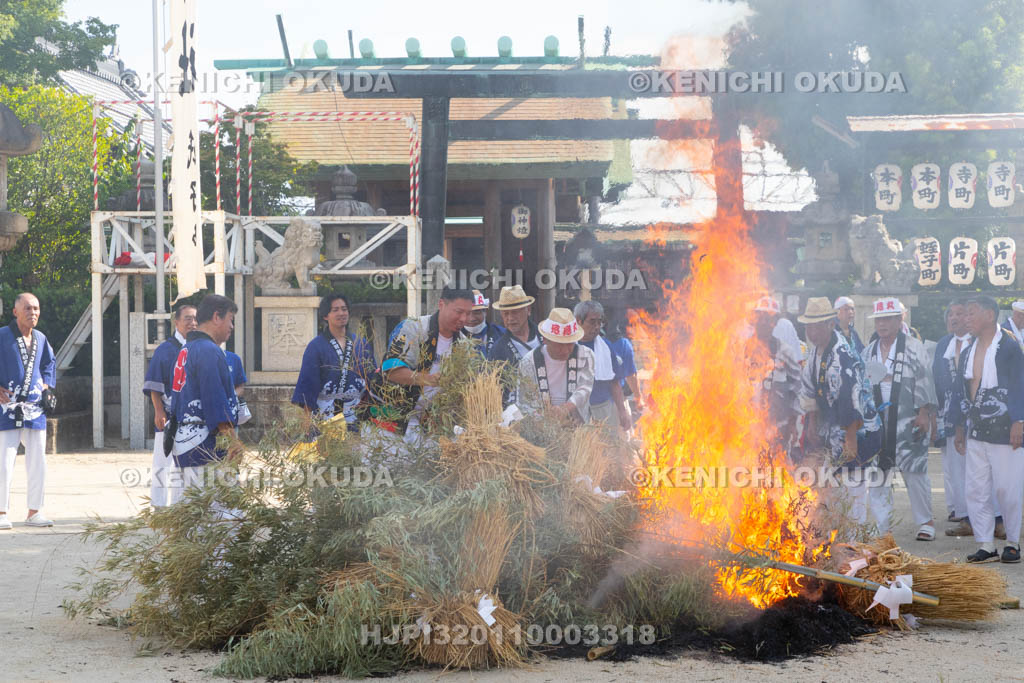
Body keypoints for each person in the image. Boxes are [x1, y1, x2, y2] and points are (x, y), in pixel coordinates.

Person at [798, 297, 884, 531]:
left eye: (817, 326)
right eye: (808, 326)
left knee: (853, 488)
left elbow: (851, 399)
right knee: (831, 490)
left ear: (830, 324)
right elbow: (808, 390)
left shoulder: (842, 354)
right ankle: (837, 539)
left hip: (858, 431)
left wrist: (851, 440)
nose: (812, 332)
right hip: (833, 428)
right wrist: (813, 423)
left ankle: (855, 544)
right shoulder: (816, 353)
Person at [950, 295, 1024, 564]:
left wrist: (1020, 421)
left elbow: (1019, 384)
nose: (966, 318)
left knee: (1007, 488)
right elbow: (960, 390)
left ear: (990, 315)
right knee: (977, 489)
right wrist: (958, 426)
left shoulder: (1009, 345)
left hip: (1007, 429)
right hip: (977, 428)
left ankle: (1013, 542)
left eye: (971, 313)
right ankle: (986, 543)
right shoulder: (969, 350)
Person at [862, 297, 938, 541]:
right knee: (878, 473)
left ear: (899, 319)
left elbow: (925, 381)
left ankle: (926, 521)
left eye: (887, 319)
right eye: (879, 319)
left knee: (915, 471)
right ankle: (883, 525)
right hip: (877, 421)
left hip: (909, 418)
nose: (882, 324)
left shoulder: (914, 347)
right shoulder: (868, 350)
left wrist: (924, 413)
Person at [168, 294, 243, 503]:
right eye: (230, 319)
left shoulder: (186, 348)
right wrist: (232, 441)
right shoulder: (209, 350)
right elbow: (214, 401)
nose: (232, 326)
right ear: (217, 317)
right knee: (222, 514)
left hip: (184, 440)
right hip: (205, 444)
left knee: (193, 512)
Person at [381, 287, 473, 441]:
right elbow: (390, 370)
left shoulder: (464, 345)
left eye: (468, 313)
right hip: (394, 415)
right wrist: (428, 379)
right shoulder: (414, 328)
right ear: (441, 304)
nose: (464, 319)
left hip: (431, 423)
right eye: (459, 311)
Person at [0, 293, 56, 529]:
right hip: (7, 406)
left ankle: (35, 511)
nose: (32, 313)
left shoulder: (41, 339)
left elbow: (49, 364)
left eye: (36, 308)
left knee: (38, 460)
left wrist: (46, 387)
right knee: (4, 460)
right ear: (15, 312)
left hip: (34, 408)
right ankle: (1, 512)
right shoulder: (2, 336)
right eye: (27, 308)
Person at [292, 293, 375, 432]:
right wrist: (306, 423)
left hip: (357, 415)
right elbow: (307, 384)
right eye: (335, 310)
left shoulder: (361, 343)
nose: (341, 313)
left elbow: (372, 380)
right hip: (325, 416)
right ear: (326, 316)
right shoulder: (316, 346)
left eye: (344, 309)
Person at [142, 303, 197, 507]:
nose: (192, 323)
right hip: (168, 413)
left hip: (192, 416)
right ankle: (158, 505)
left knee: (186, 465)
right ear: (176, 322)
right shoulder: (165, 350)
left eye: (195, 319)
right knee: (162, 463)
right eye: (188, 319)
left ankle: (182, 505)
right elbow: (154, 383)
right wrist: (158, 410)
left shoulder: (197, 348)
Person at [933, 299, 972, 534]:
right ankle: (962, 512)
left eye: (960, 313)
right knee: (953, 464)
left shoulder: (977, 342)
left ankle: (983, 514)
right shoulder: (943, 344)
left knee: (975, 465)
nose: (954, 318)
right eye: (951, 315)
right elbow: (936, 379)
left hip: (973, 413)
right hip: (947, 411)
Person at [517, 308, 596, 423]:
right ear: (545, 340)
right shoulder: (529, 362)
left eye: (569, 344)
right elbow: (524, 401)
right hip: (542, 426)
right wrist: (545, 418)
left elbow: (585, 388)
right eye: (559, 344)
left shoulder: (586, 355)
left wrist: (565, 409)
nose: (565, 350)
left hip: (578, 426)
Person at [748, 296, 803, 455]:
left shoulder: (786, 352)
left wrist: (792, 424)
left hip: (777, 429)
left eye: (770, 319)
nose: (765, 323)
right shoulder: (740, 351)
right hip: (746, 429)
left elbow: (796, 390)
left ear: (776, 323)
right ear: (754, 319)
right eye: (762, 318)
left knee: (777, 472)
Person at [574, 300, 631, 432]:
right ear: (578, 321)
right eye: (592, 321)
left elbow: (615, 382)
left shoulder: (605, 348)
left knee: (608, 448)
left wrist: (622, 411)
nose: (597, 326)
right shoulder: (568, 347)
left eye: (600, 322)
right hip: (576, 410)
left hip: (603, 410)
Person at [465, 289, 507, 356]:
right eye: (467, 313)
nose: (471, 318)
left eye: (476, 312)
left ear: (485, 312)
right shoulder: (454, 337)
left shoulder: (502, 334)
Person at [225, 350, 251, 426]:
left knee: (230, 437)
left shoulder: (233, 358)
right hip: (204, 419)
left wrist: (230, 398)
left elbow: (240, 386)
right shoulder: (196, 357)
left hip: (230, 415)